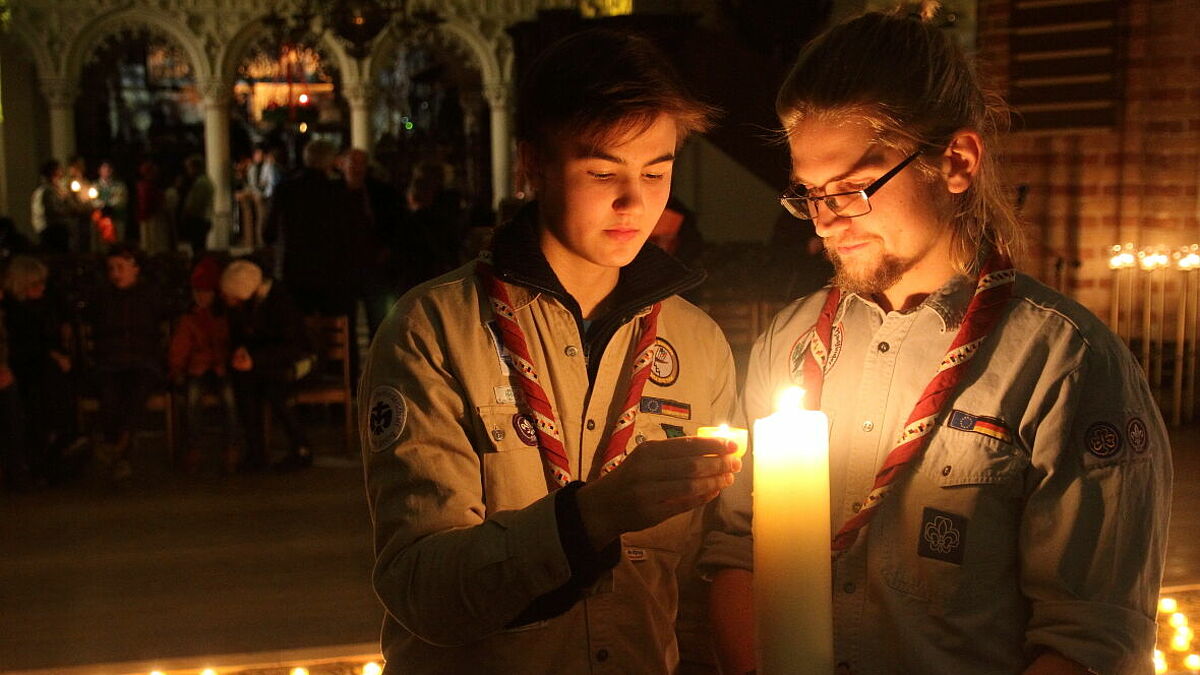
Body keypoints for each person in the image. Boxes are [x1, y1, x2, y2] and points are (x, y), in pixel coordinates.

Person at [701, 7, 1172, 675]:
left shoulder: (1061, 364)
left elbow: (1093, 636)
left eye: (855, 188)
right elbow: (737, 550)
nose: (829, 221)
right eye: (809, 193)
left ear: (956, 161)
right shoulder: (790, 343)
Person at [360, 28, 740, 674]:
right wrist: (593, 516)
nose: (635, 200)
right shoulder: (435, 330)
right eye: (602, 171)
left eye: (657, 170)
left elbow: (714, 569)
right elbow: (417, 585)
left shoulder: (697, 345)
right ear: (531, 164)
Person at [84, 244, 171, 481]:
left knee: (137, 391)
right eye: (111, 268)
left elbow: (163, 325)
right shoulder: (102, 297)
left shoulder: (150, 295)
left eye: (120, 267)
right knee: (110, 394)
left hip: (142, 361)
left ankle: (119, 449)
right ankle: (119, 449)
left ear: (135, 269)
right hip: (110, 362)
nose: (115, 273)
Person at [219, 258, 313, 472]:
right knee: (243, 383)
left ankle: (301, 447)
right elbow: (244, 334)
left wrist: (255, 359)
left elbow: (293, 345)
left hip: (294, 362)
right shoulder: (248, 303)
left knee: (274, 387)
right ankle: (256, 451)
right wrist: (242, 351)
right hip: (264, 362)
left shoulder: (281, 301)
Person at [3, 255, 81, 486]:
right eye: (35, 284)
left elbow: (53, 329)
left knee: (54, 378)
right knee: (45, 383)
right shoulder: (12, 310)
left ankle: (58, 441)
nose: (42, 288)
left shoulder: (45, 305)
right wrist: (53, 354)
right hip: (23, 365)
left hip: (41, 365)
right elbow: (21, 346)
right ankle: (52, 444)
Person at [263, 139, 357, 318]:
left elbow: (268, 232)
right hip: (331, 274)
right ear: (330, 162)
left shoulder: (285, 190)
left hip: (293, 273)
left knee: (298, 328)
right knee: (335, 331)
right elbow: (349, 232)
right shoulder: (338, 192)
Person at [169, 255, 237, 474]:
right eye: (197, 291)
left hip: (221, 366)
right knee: (192, 397)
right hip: (197, 367)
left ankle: (231, 447)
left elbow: (230, 342)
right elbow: (180, 347)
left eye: (205, 291)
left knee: (229, 396)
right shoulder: (190, 319)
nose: (200, 296)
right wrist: (176, 369)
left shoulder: (224, 316)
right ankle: (194, 448)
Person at [179, 154, 214, 256]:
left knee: (198, 247)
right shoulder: (204, 182)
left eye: (189, 168)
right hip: (202, 218)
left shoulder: (201, 183)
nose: (188, 171)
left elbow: (196, 204)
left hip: (199, 219)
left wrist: (187, 214)